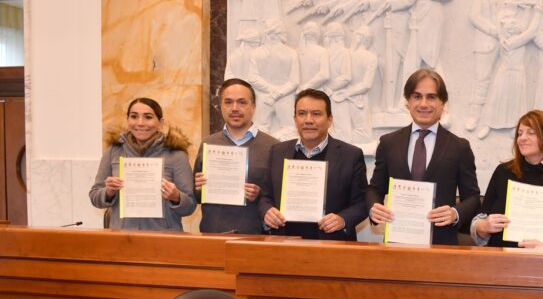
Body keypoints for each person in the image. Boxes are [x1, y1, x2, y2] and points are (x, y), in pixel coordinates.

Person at [367, 69, 481, 245]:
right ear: (408, 102)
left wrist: (455, 213)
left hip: (442, 244)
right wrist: (373, 208)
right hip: (397, 242)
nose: (423, 103)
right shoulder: (389, 143)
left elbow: (473, 197)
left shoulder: (459, 147)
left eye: (431, 97)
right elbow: (374, 189)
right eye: (417, 96)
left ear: (443, 103)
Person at [258, 89, 368, 240]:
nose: (308, 120)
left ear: (329, 120)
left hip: (332, 246)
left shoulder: (351, 155)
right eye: (302, 113)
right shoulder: (277, 151)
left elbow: (362, 203)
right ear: (295, 119)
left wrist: (342, 219)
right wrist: (267, 211)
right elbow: (265, 196)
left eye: (316, 114)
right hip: (283, 244)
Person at [472, 110, 543, 249]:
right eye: (519, 133)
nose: (522, 138)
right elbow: (479, 220)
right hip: (499, 260)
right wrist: (482, 227)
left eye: (531, 133)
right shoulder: (503, 172)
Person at [89, 97, 196, 231]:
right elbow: (94, 197)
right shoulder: (114, 151)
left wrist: (176, 197)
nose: (140, 123)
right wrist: (108, 192)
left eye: (148, 117)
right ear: (127, 120)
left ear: (160, 123)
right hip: (123, 238)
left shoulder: (176, 155)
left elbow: (190, 206)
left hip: (164, 240)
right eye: (134, 116)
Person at [193, 78, 277, 234]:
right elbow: (196, 197)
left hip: (256, 237)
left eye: (242, 102)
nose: (235, 108)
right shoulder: (208, 144)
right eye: (228, 102)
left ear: (253, 107)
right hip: (212, 234)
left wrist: (259, 195)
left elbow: (278, 198)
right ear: (220, 107)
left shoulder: (273, 147)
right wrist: (198, 188)